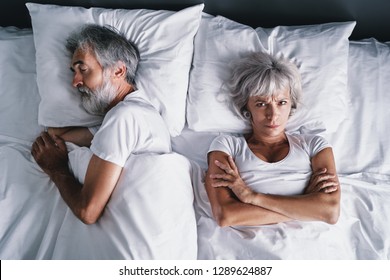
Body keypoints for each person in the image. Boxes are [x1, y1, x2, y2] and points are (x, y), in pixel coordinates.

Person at [31, 24, 171, 224]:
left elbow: (87, 211)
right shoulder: (135, 115)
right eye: (73, 71)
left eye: (83, 69)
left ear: (118, 71)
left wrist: (56, 169)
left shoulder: (124, 117)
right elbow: (54, 138)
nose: (75, 82)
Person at [205, 51, 340, 227]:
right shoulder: (226, 146)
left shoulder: (315, 145)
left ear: (292, 103)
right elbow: (226, 216)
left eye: (281, 102)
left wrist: (250, 196)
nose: (273, 115)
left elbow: (330, 212)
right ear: (247, 106)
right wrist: (305, 204)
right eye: (261, 104)